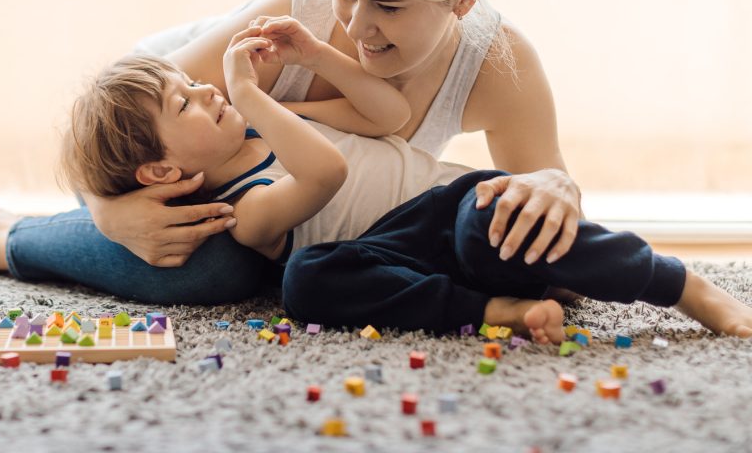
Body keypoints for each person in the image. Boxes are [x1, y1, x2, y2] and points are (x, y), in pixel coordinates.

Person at [0, 0, 581, 303]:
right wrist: (111, 213)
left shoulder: (499, 64)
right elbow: (109, 136)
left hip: (277, 200)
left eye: (389, 6)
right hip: (155, 124)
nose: (354, 26)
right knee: (214, 270)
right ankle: (3, 236)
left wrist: (558, 187)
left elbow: (551, 212)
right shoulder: (286, 23)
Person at [40, 25, 752, 340]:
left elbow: (389, 114)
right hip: (400, 256)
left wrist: (315, 56)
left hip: (450, 208)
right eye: (185, 102)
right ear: (164, 170)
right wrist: (251, 96)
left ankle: (678, 284)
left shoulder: (275, 116)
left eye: (196, 85)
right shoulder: (243, 212)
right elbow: (327, 172)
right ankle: (492, 310)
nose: (207, 92)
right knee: (307, 283)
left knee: (495, 214)